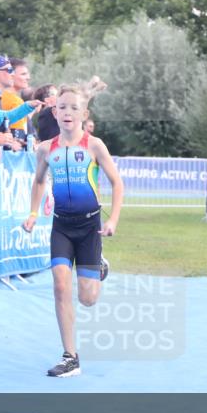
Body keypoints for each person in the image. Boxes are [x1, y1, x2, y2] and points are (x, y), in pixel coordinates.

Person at [22, 84, 124, 378]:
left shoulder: (95, 145)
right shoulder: (45, 149)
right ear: (54, 112)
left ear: (84, 113)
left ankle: (99, 265)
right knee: (60, 285)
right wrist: (32, 214)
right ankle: (70, 357)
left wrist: (113, 220)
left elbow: (117, 183)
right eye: (62, 107)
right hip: (62, 226)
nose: (67, 112)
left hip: (90, 227)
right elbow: (39, 181)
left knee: (88, 298)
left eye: (74, 108)